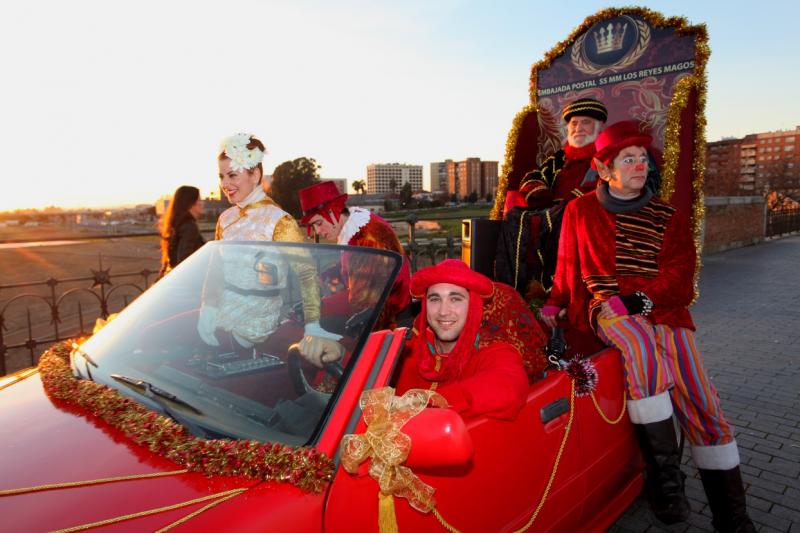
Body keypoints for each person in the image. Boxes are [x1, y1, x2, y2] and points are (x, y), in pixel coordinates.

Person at [541, 121, 754, 531]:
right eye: (629, 159)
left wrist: (641, 299)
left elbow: (681, 275)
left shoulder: (668, 215)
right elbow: (567, 268)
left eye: (643, 158)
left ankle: (734, 518)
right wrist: (554, 304)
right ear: (604, 170)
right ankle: (665, 479)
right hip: (608, 309)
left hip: (665, 313)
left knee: (704, 403)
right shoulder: (579, 211)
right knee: (637, 343)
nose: (640, 165)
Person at [198, 132, 341, 366]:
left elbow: (306, 274)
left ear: (255, 174)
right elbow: (215, 269)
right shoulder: (225, 218)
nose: (224, 184)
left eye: (232, 174)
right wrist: (208, 306)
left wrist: (312, 324)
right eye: (221, 176)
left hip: (257, 322)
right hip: (222, 312)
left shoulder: (279, 221)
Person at [496, 98, 608, 305]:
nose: (578, 128)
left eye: (585, 123)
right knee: (514, 217)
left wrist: (573, 198)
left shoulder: (604, 157)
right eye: (574, 123)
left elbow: (607, 184)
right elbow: (532, 177)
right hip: (550, 209)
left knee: (563, 215)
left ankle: (552, 290)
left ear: (599, 127)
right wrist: (540, 193)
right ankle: (512, 289)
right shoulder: (558, 159)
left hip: (583, 212)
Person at [393, 259, 532, 420]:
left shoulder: (493, 350)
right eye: (435, 299)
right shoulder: (406, 349)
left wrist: (423, 403)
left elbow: (508, 387)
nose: (443, 311)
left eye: (455, 299)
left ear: (473, 306)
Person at [298, 181, 411, 330]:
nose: (317, 232)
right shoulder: (356, 226)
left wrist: (320, 306)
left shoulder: (365, 238)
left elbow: (363, 299)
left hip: (389, 321)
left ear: (333, 211)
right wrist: (329, 275)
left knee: (313, 331)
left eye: (318, 223)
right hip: (377, 312)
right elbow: (356, 269)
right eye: (313, 226)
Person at [159, 185, 205, 276]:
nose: (202, 203)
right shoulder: (189, 227)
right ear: (191, 203)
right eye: (199, 200)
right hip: (188, 281)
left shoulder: (177, 225)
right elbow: (185, 261)